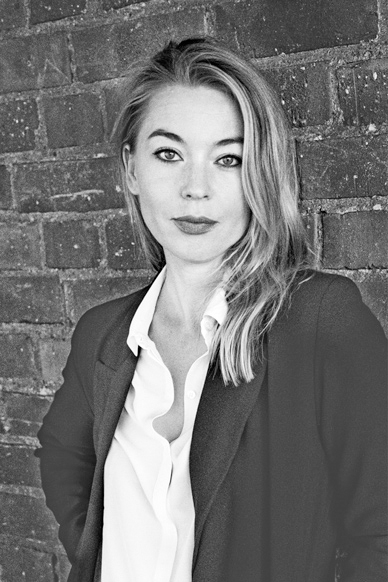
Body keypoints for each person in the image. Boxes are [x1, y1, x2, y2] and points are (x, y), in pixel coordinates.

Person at [35, 37, 387, 582]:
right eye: (168, 153)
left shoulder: (321, 322)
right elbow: (63, 458)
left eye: (229, 158)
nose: (195, 189)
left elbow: (379, 535)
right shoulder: (103, 334)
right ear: (131, 169)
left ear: (259, 175)